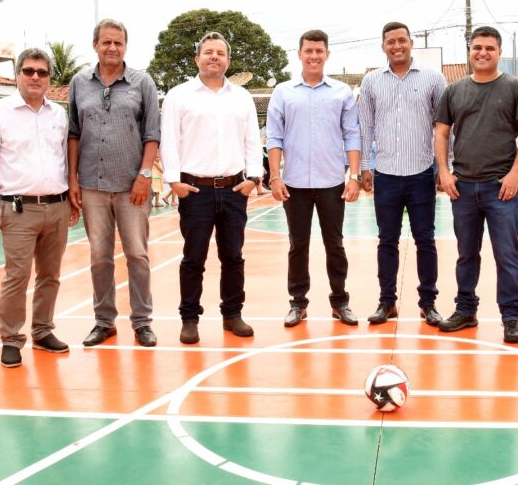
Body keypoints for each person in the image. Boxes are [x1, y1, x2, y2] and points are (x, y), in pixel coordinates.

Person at [0, 48, 79, 368]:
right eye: (29, 71)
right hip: (18, 207)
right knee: (17, 276)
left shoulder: (58, 114)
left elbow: (66, 160)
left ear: (49, 78)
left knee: (50, 275)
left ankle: (43, 331)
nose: (35, 77)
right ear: (17, 74)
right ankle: (10, 338)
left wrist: (72, 200)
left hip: (57, 205)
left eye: (42, 72)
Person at [434, 26, 518, 344]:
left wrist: (516, 172)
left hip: (500, 188)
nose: (483, 52)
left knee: (507, 254)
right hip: (463, 187)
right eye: (477, 47)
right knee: (466, 254)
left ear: (499, 52)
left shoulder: (515, 87)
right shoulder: (454, 90)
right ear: (470, 51)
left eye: (489, 48)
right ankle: (466, 310)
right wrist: (444, 172)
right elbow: (441, 133)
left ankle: (511, 317)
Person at [161, 31, 263, 344]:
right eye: (208, 52)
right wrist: (174, 181)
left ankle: (232, 314)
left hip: (234, 190)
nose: (214, 57)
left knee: (233, 256)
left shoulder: (242, 97)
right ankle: (189, 318)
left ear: (228, 60)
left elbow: (252, 140)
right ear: (197, 59)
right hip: (195, 190)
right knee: (193, 258)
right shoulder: (179, 96)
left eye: (220, 53)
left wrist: (253, 178)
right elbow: (169, 140)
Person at [69, 19, 162, 348]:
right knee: (99, 257)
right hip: (92, 185)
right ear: (95, 45)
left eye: (118, 42)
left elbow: (152, 133)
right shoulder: (79, 83)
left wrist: (145, 175)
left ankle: (142, 321)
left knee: (137, 254)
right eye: (106, 42)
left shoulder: (142, 82)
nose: (112, 47)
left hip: (131, 185)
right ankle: (104, 321)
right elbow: (74, 133)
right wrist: (72, 179)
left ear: (125, 46)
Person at [267, 29, 362, 328]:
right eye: (308, 51)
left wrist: (354, 176)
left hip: (332, 182)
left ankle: (340, 301)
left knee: (335, 244)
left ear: (327, 54)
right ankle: (298, 303)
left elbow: (352, 135)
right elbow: (274, 136)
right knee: (298, 245)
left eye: (319, 51)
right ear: (299, 54)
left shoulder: (342, 92)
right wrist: (274, 177)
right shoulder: (283, 92)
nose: (314, 56)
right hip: (294, 183)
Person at [359, 21, 447, 326]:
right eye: (390, 42)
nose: (396, 46)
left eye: (401, 40)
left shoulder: (433, 78)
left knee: (426, 240)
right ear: (383, 46)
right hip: (385, 174)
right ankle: (387, 302)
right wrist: (364, 166)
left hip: (421, 173)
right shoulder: (371, 81)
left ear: (411, 43)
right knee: (387, 240)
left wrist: (444, 166)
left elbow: (444, 127)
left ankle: (428, 303)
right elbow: (366, 125)